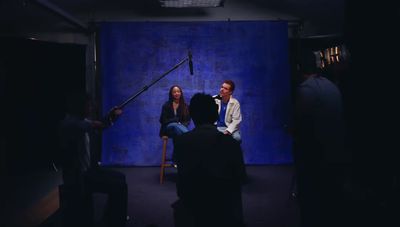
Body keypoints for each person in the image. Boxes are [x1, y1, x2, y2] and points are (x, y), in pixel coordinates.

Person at [173, 93, 246, 227]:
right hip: (225, 213)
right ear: (216, 115)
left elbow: (181, 185)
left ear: (192, 115)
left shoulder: (181, 143)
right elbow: (241, 178)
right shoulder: (231, 144)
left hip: (192, 212)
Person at [293, 50, 349, 227]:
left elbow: (302, 123)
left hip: (314, 151)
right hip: (336, 147)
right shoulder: (332, 86)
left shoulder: (306, 90)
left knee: (312, 198)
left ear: (299, 68)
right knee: (330, 195)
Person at [58, 92, 127, 227]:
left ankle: (112, 219)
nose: (91, 108)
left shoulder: (81, 121)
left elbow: (100, 124)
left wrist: (112, 115)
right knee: (119, 185)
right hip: (78, 178)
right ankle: (114, 221)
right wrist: (111, 116)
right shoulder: (68, 123)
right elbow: (96, 125)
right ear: (79, 106)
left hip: (90, 171)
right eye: (88, 105)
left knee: (121, 178)